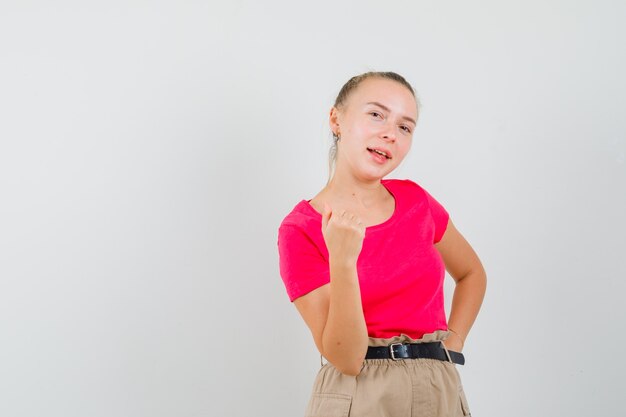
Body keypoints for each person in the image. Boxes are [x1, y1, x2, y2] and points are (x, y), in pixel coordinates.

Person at [277, 71, 486, 417]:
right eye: (376, 114)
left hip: (437, 386)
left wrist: (454, 341)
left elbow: (471, 273)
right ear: (336, 119)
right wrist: (343, 261)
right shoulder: (301, 229)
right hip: (358, 394)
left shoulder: (417, 202)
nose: (390, 133)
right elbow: (345, 357)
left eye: (405, 127)